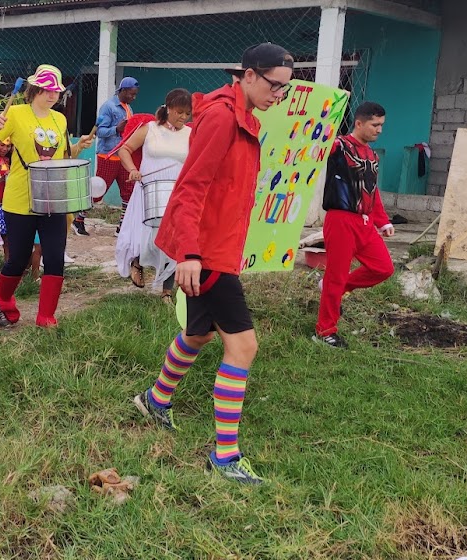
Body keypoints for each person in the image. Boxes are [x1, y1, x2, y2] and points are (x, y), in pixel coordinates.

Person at [132, 43, 294, 485]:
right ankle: (225, 457)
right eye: (273, 85)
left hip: (217, 247)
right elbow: (190, 187)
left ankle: (155, 400)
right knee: (243, 347)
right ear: (248, 75)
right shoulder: (222, 118)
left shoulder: (242, 116)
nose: (278, 94)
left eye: (284, 88)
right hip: (207, 252)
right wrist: (189, 253)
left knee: (199, 333)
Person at [0, 64, 95, 328]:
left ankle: (46, 316)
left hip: (53, 199)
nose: (52, 95)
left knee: (54, 257)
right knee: (18, 259)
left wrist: (79, 146)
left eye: (56, 91)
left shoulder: (60, 119)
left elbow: (62, 157)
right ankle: (2, 299)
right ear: (34, 89)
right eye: (46, 90)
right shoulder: (16, 113)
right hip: (20, 199)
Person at [315, 101, 395, 349]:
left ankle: (336, 289)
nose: (379, 130)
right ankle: (325, 331)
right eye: (375, 125)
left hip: (365, 223)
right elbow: (316, 144)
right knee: (335, 276)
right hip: (341, 220)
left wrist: (383, 221)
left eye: (382, 125)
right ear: (359, 123)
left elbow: (372, 190)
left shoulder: (372, 155)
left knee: (383, 268)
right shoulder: (338, 146)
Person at [114, 88, 192, 301]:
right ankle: (138, 261)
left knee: (174, 239)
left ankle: (167, 291)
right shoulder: (150, 129)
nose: (183, 117)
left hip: (176, 193)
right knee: (148, 236)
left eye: (187, 113)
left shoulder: (190, 134)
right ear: (168, 108)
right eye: (179, 112)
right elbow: (124, 150)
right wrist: (132, 170)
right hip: (148, 190)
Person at [73, 77, 141, 236]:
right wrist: (116, 129)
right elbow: (100, 131)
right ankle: (78, 220)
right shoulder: (109, 106)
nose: (133, 97)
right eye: (131, 94)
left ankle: (122, 227)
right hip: (108, 156)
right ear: (123, 91)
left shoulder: (128, 108)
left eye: (135, 94)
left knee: (129, 192)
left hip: (124, 156)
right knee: (98, 191)